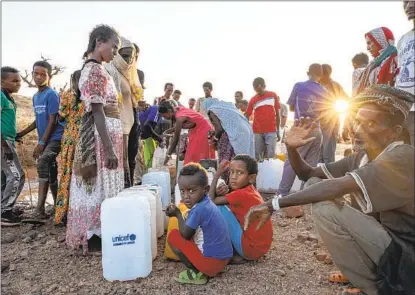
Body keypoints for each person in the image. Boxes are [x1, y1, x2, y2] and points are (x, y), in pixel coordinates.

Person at [245, 85, 415, 295]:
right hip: (384, 245)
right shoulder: (362, 157)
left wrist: (274, 204)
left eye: (370, 123)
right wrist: (291, 148)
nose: (358, 129)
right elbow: (308, 174)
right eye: (357, 121)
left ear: (394, 132)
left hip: (405, 256)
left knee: (326, 208)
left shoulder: (403, 156)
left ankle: (374, 289)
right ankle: (367, 280)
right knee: (315, 184)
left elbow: (339, 186)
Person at [65, 24, 123, 252]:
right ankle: (95, 234)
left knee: (99, 185)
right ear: (99, 42)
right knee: (98, 185)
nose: (115, 53)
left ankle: (98, 232)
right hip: (102, 138)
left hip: (106, 133)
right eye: (114, 47)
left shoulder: (95, 69)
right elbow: (97, 111)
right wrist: (109, 149)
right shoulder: (96, 71)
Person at [165, 163, 233, 284]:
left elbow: (185, 235)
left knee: (173, 236)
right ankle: (202, 266)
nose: (186, 196)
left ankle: (197, 273)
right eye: (182, 191)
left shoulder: (199, 209)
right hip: (223, 260)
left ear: (205, 189)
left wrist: (178, 214)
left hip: (212, 265)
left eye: (191, 191)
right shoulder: (206, 202)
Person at [18, 61, 64, 222]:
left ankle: (39, 210)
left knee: (43, 162)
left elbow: (52, 121)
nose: (38, 77)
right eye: (35, 74)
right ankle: (59, 208)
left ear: (49, 76)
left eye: (42, 74)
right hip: (44, 138)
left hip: (55, 138)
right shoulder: (36, 96)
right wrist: (21, 133)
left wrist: (42, 143)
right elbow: (38, 120)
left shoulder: (51, 95)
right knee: (50, 171)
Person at [210, 156, 273, 263]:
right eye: (232, 172)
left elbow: (210, 202)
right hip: (260, 248)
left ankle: (226, 252)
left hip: (250, 249)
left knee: (218, 208)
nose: (233, 177)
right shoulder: (249, 190)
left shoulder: (241, 194)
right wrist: (227, 189)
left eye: (240, 173)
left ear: (251, 178)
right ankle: (237, 251)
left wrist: (216, 176)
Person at [278, 64, 327, 198]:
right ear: (320, 76)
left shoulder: (299, 86)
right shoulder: (324, 90)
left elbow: (292, 107)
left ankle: (282, 194)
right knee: (310, 165)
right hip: (317, 129)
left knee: (292, 161)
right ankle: (304, 195)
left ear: (307, 73)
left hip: (301, 127)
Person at [105, 36, 143, 188]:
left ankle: (128, 191)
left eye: (131, 57)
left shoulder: (129, 74)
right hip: (117, 125)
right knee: (120, 164)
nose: (128, 60)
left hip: (130, 123)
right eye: (124, 55)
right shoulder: (110, 71)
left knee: (130, 160)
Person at [54, 70, 84, 225]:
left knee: (66, 175)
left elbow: (61, 116)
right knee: (82, 175)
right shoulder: (89, 95)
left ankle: (61, 214)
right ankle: (79, 213)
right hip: (85, 138)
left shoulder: (66, 95)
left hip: (69, 138)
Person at [204, 99, 254, 183]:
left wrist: (215, 140)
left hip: (230, 136)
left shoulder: (212, 110)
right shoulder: (225, 107)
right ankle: (241, 182)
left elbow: (219, 129)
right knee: (238, 159)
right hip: (243, 133)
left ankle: (228, 183)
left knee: (226, 162)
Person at [1, 66, 24, 224]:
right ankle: (5, 212)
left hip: (8, 139)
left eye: (19, 81)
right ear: (2, 81)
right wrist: (4, 144)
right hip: (3, 143)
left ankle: (4, 208)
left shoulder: (8, 97)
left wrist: (14, 136)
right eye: (14, 81)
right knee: (16, 175)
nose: (18, 84)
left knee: (4, 177)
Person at [158, 100, 215, 165]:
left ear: (169, 111)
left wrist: (167, 157)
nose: (164, 118)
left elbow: (175, 140)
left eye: (164, 116)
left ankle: (202, 173)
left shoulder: (179, 118)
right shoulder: (177, 109)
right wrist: (168, 131)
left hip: (203, 132)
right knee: (191, 157)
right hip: (196, 131)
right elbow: (187, 123)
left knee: (197, 158)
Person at [245, 77, 280, 161]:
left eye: (260, 89)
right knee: (258, 156)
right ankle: (260, 173)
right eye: (256, 90)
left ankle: (271, 173)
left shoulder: (273, 95)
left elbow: (277, 114)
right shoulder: (253, 100)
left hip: (271, 129)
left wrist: (278, 131)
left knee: (271, 156)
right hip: (257, 131)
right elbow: (247, 115)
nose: (258, 92)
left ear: (264, 86)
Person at [319, 64, 349, 164]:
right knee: (317, 154)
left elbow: (347, 100)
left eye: (324, 74)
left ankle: (327, 176)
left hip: (331, 124)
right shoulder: (315, 84)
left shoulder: (335, 85)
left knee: (328, 155)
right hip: (316, 124)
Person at [355, 27, 398, 95]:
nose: (367, 48)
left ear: (380, 41)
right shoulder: (373, 64)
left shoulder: (395, 59)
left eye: (369, 43)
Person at [395, 0, 415, 147]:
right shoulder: (403, 40)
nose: (410, 5)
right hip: (402, 109)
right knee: (401, 161)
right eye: (406, 1)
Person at [137, 100, 163, 168]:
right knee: (149, 162)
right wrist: (159, 139)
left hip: (144, 137)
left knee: (146, 162)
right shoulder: (156, 108)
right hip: (144, 137)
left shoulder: (155, 111)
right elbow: (147, 127)